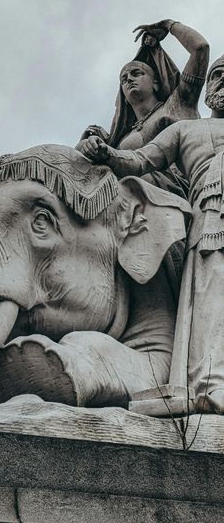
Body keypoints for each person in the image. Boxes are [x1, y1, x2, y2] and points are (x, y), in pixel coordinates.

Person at [82, 52, 224, 414]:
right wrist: (105, 152)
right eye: (219, 74)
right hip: (211, 219)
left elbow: (200, 47)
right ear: (208, 88)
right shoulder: (185, 130)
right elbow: (140, 160)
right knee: (211, 300)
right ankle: (211, 385)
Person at [77, 19, 209, 198]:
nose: (129, 79)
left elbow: (200, 48)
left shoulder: (178, 104)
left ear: (156, 83)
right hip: (128, 196)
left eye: (136, 73)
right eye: (124, 79)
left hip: (176, 191)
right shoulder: (120, 138)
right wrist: (85, 146)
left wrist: (169, 25)